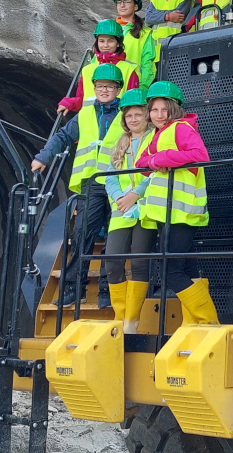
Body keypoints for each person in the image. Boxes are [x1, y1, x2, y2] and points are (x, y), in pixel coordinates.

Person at [33, 63, 127, 307]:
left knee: (113, 238)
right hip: (91, 183)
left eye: (110, 86)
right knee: (82, 234)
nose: (104, 90)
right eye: (100, 86)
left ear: (119, 89)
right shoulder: (84, 114)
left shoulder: (128, 114)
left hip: (120, 181)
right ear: (93, 88)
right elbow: (63, 136)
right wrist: (44, 156)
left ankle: (107, 292)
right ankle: (75, 288)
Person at [134, 81, 219, 325]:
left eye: (164, 109)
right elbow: (141, 163)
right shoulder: (157, 134)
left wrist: (161, 158)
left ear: (175, 109)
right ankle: (197, 324)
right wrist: (155, 160)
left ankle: (209, 322)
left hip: (180, 213)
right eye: (154, 110)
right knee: (188, 271)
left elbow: (201, 155)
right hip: (167, 214)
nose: (159, 115)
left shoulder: (181, 128)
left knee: (171, 272)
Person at [98, 88, 153, 334]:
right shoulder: (120, 142)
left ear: (146, 116)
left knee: (140, 262)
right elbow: (109, 177)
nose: (133, 119)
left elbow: (154, 174)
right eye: (129, 115)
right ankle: (121, 316)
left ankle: (132, 321)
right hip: (121, 209)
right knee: (112, 262)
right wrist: (120, 198)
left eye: (138, 114)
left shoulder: (154, 139)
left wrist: (135, 195)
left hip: (145, 209)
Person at [56, 20, 139, 113]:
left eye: (110, 41)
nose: (105, 45)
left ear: (118, 43)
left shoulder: (129, 70)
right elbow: (81, 100)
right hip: (90, 124)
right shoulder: (87, 70)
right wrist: (69, 103)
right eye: (101, 41)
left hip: (115, 125)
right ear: (97, 43)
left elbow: (133, 104)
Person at [112, 0, 156, 94]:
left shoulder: (145, 33)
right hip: (106, 87)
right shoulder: (108, 29)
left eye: (127, 1)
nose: (122, 5)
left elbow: (148, 66)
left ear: (136, 6)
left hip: (131, 87)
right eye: (119, 1)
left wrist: (141, 90)